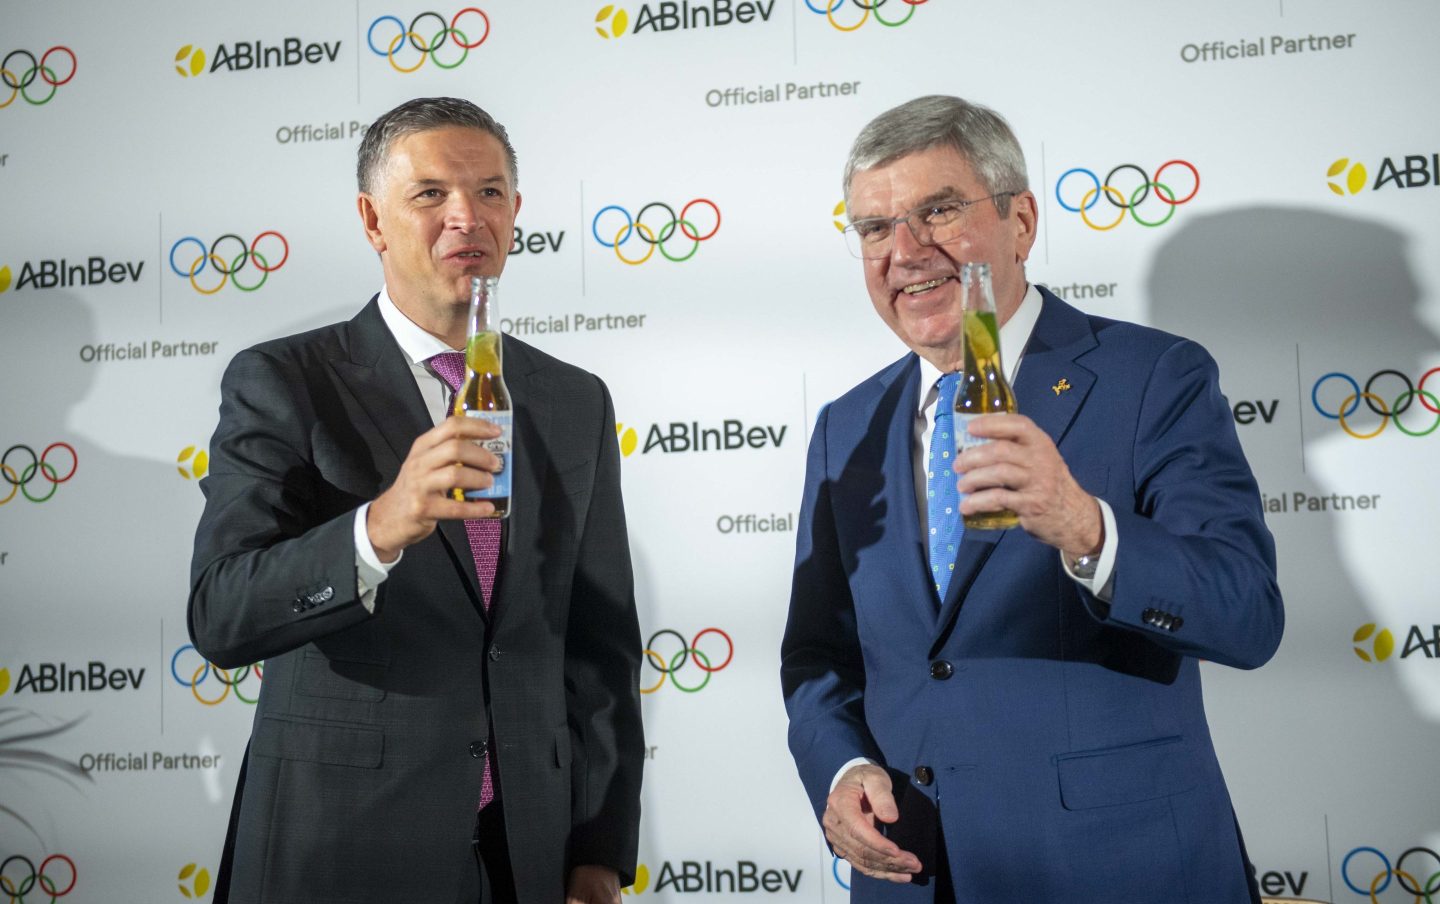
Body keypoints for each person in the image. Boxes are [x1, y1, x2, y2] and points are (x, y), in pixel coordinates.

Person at [780, 95, 1284, 903]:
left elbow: (1249, 615)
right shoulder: (847, 425)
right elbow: (816, 656)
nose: (905, 252)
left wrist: (1087, 529)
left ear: (1021, 220)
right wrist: (839, 769)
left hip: (1120, 870)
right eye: (874, 228)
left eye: (937, 211)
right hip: (917, 875)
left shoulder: (1154, 377)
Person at [189, 96, 643, 904]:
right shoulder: (285, 381)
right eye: (430, 193)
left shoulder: (576, 400)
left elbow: (600, 648)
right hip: (341, 846)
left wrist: (600, 848)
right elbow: (222, 615)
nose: (466, 216)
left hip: (526, 855)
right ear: (373, 221)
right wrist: (375, 531)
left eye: (490, 192)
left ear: (516, 213)